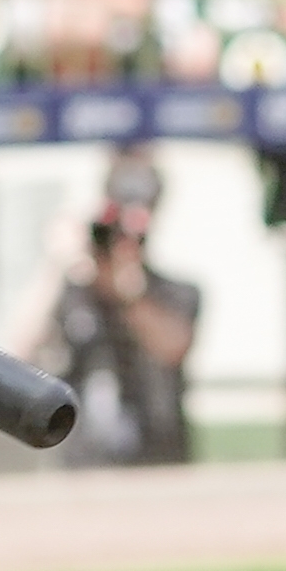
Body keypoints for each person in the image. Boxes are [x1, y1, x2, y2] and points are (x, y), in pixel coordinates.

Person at [33, 194, 199, 467]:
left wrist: (130, 293)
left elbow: (172, 349)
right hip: (82, 461)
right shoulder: (72, 294)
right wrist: (56, 266)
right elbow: (21, 350)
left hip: (157, 456)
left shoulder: (173, 293)